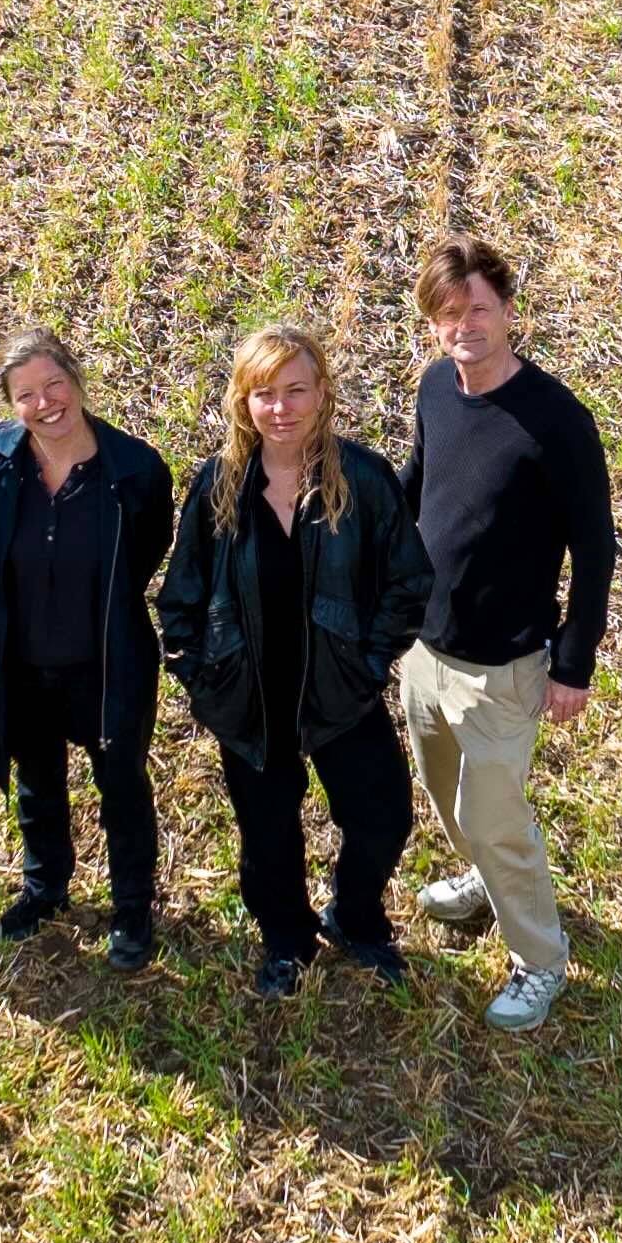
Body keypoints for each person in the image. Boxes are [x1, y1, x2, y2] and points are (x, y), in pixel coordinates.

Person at [155, 320, 427, 999]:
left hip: (339, 693)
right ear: (243, 400)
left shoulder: (361, 479)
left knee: (384, 815)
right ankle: (287, 940)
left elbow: (408, 580)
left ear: (323, 393)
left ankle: (356, 917)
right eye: (264, 393)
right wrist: (202, 676)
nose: (281, 408)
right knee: (267, 838)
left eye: (296, 390)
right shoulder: (218, 484)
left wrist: (368, 664)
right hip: (251, 700)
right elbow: (179, 596)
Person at [397, 236, 616, 1035]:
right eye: (449, 314)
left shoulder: (558, 421)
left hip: (504, 666)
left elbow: (595, 549)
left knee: (495, 816)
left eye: (479, 308)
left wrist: (574, 660)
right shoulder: (434, 390)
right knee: (447, 795)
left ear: (509, 309)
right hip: (425, 651)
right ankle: (486, 879)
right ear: (433, 324)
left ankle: (542, 960)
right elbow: (416, 484)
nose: (466, 326)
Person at [0, 327, 175, 972]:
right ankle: (45, 888)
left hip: (106, 665)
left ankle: (132, 906)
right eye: (25, 394)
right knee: (37, 781)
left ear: (77, 380)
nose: (44, 402)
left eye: (54, 384)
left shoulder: (135, 470)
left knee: (123, 785)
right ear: (10, 403)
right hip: (22, 663)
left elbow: (145, 554)